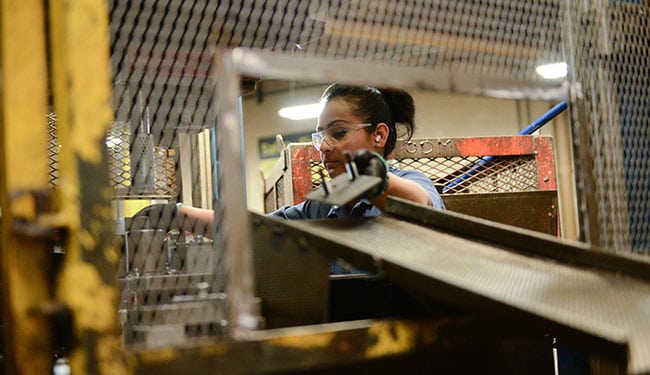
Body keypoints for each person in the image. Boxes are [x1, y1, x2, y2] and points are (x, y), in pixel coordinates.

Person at [268, 83, 445, 219]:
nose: (323, 146)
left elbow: (419, 204)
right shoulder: (323, 207)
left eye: (339, 132)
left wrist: (373, 177)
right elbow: (262, 228)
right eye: (320, 136)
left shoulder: (413, 181)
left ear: (379, 135)